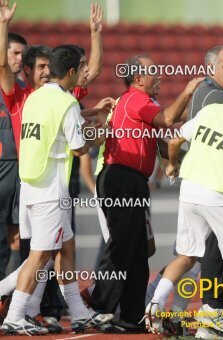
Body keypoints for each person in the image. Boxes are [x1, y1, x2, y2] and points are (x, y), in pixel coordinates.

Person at [145, 72, 223, 340]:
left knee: (187, 255)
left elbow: (175, 140)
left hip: (190, 190)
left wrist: (172, 165)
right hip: (222, 195)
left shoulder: (213, 110)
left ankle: (155, 304)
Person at [0, 45, 112, 335]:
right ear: (72, 71)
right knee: (39, 256)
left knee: (65, 247)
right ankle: (14, 315)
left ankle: (77, 311)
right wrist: (99, 136)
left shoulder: (36, 97)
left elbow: (58, 125)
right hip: (51, 190)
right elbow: (78, 148)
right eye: (82, 67)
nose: (85, 72)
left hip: (32, 184)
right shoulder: (67, 104)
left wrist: (90, 114)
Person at [87, 54, 202, 333]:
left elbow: (165, 136)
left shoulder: (140, 103)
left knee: (139, 252)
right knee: (123, 246)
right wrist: (188, 91)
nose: (159, 76)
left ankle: (131, 315)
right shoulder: (137, 100)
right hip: (122, 179)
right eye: (153, 72)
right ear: (138, 79)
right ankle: (97, 307)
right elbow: (168, 119)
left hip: (131, 181)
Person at [0, 29, 25, 281]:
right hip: (4, 169)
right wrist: (3, 24)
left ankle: (9, 307)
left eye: (22, 54)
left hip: (19, 170)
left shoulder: (24, 92)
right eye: (15, 53)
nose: (20, 58)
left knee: (16, 238)